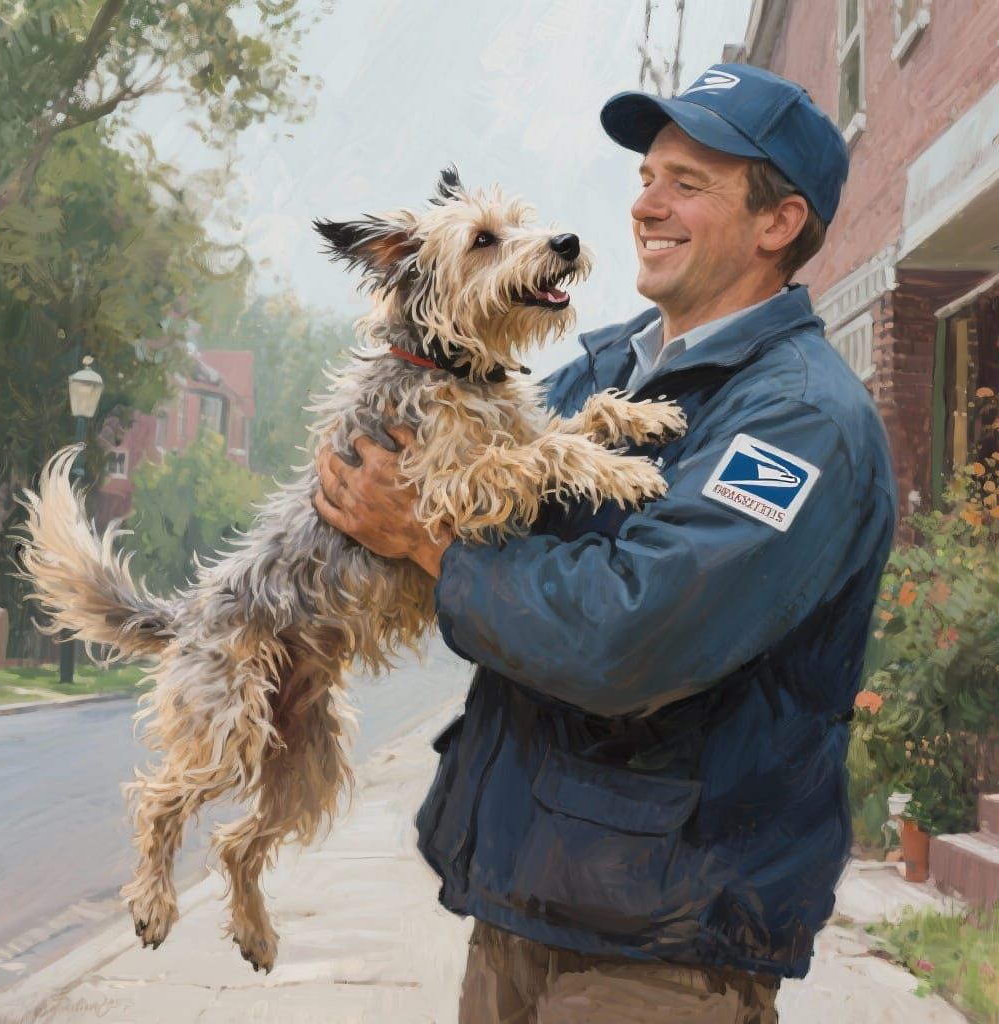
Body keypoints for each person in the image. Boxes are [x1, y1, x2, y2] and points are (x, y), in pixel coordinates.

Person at [314, 63, 897, 1024]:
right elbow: (497, 531)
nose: (647, 206)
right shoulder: (604, 366)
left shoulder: (797, 424)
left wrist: (432, 542)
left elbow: (630, 634)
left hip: (661, 949)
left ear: (778, 224)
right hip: (526, 906)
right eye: (645, 176)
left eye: (688, 184)